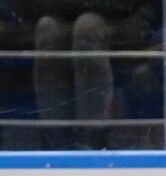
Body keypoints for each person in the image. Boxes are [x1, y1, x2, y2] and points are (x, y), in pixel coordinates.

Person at [31, 0, 157, 149]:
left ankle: (93, 134)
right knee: (47, 28)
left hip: (129, 17)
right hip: (74, 12)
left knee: (87, 27)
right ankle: (57, 134)